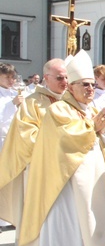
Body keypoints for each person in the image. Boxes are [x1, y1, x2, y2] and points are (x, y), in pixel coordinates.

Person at [19, 50, 105, 246]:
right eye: (85, 85)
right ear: (72, 87)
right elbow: (65, 141)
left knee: (92, 230)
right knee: (71, 239)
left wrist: (104, 133)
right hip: (65, 190)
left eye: (92, 85)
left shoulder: (90, 109)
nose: (90, 89)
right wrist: (94, 130)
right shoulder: (58, 110)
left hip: (93, 186)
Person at [0, 59, 68, 234]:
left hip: (66, 162)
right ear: (46, 77)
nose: (65, 82)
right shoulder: (33, 102)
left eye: (67, 77)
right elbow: (25, 134)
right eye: (60, 78)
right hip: (40, 163)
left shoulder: (69, 101)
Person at [0, 62, 23, 229]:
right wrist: (12, 104)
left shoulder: (16, 93)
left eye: (13, 77)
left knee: (14, 178)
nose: (11, 79)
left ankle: (10, 216)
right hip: (1, 140)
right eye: (7, 76)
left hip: (15, 140)